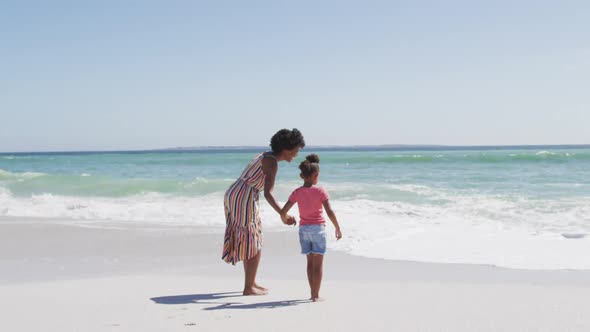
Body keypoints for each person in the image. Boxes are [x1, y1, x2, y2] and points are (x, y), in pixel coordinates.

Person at [222, 128, 304, 296]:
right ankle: (248, 287)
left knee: (251, 239)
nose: (296, 154)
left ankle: (250, 283)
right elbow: (268, 193)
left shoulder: (266, 155)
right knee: (253, 241)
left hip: (239, 193)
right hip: (244, 196)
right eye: (296, 150)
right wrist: (283, 214)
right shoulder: (271, 162)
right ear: (286, 149)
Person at [280, 153, 342, 302]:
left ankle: (311, 294)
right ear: (316, 175)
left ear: (302, 175)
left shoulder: (297, 192)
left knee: (309, 263)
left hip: (303, 230)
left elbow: (283, 211)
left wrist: (286, 219)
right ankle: (316, 295)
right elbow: (329, 211)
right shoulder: (320, 191)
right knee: (318, 264)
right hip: (318, 230)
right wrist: (337, 228)